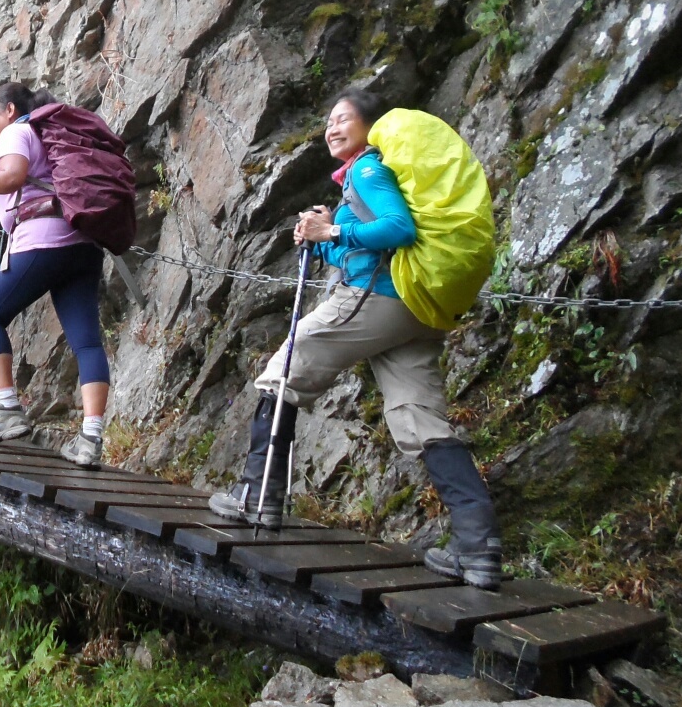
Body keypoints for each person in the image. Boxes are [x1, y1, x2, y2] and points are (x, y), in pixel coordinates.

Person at [209, 87, 504, 590]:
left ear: (372, 127)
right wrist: (326, 235)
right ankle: (478, 552)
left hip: (375, 302)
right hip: (415, 311)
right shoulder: (360, 182)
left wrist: (332, 234)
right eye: (328, 121)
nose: (332, 127)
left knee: (282, 373)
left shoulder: (368, 170)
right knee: (420, 417)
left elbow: (398, 229)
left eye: (344, 119)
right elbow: (356, 249)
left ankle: (258, 498)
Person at [0, 82, 109, 466]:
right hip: (84, 245)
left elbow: (12, 177)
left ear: (9, 110)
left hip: (42, 240)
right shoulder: (52, 136)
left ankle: (8, 410)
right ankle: (91, 439)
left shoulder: (17, 130)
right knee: (87, 343)